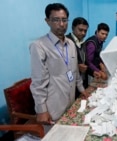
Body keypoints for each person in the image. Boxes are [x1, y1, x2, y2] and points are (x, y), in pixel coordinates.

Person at [29, 3, 89, 131]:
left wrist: (82, 89)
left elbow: (75, 72)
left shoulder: (71, 44)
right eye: (56, 20)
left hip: (71, 103)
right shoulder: (39, 46)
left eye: (64, 20)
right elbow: (38, 81)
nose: (61, 24)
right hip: (53, 108)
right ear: (47, 21)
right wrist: (41, 109)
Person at [66, 17, 89, 99]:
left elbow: (85, 60)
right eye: (80, 30)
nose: (83, 33)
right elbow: (62, 63)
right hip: (70, 83)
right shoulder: (66, 41)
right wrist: (77, 66)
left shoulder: (83, 42)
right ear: (73, 28)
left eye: (85, 31)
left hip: (81, 80)